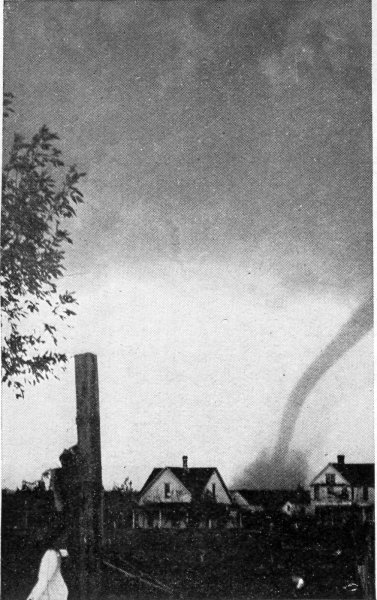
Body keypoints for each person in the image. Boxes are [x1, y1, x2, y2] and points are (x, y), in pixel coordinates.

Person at [26, 531, 69, 600]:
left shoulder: (51, 554)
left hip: (54, 595)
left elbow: (43, 581)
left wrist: (32, 598)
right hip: (56, 594)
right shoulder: (55, 553)